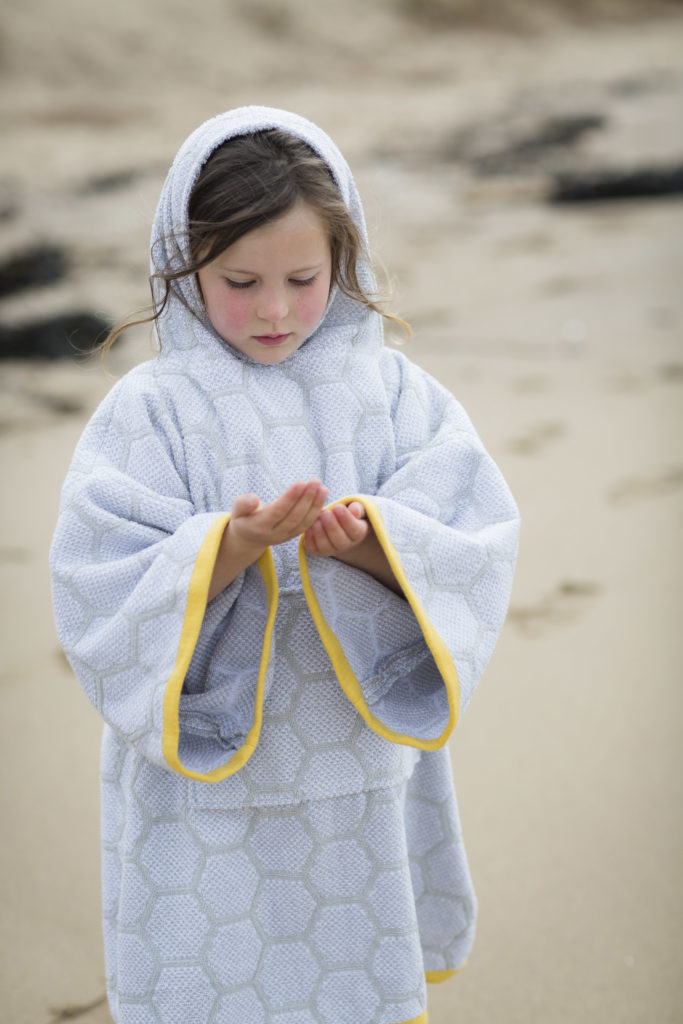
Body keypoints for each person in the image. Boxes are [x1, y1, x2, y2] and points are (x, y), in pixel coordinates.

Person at [50, 106, 520, 1024]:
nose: (274, 309)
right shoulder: (151, 411)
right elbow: (97, 579)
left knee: (359, 973)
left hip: (354, 765)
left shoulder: (392, 392)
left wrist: (377, 546)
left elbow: (469, 537)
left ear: (345, 261)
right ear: (181, 270)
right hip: (211, 788)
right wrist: (229, 548)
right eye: (240, 280)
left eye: (303, 278)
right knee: (216, 975)